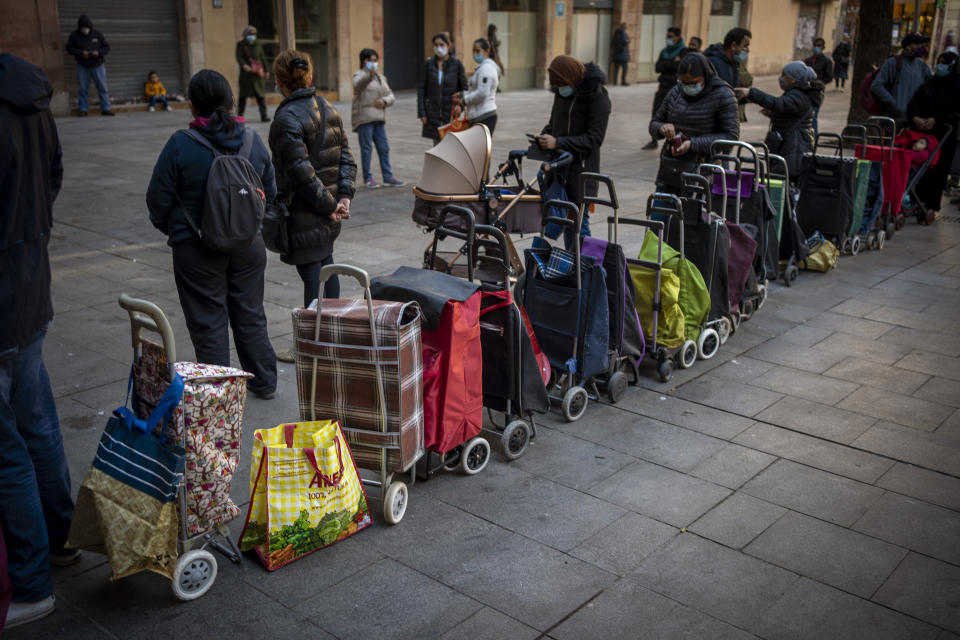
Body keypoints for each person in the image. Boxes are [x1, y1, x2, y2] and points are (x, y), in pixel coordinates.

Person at [0, 53, 75, 630]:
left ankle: (30, 581)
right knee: (40, 427)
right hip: (30, 286)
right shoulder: (30, 97)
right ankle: (62, 539)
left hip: (4, 300)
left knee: (8, 454)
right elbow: (52, 173)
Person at [146, 69, 278, 398]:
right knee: (251, 315)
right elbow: (271, 191)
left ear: (193, 105)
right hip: (248, 246)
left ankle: (221, 395)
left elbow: (157, 200)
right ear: (231, 101)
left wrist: (180, 230)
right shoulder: (251, 140)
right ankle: (264, 382)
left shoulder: (180, 144)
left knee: (208, 323)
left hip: (197, 248)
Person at [269, 49, 357, 363]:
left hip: (308, 214)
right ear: (309, 76)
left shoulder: (286, 119)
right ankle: (329, 336)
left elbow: (300, 174)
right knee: (325, 268)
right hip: (327, 212)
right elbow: (347, 157)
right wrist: (342, 198)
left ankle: (313, 347)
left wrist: (332, 204)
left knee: (314, 276)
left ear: (279, 81)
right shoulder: (328, 107)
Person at [536, 55, 611, 245]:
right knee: (565, 221)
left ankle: (585, 269)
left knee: (578, 226)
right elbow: (554, 124)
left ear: (572, 80)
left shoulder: (598, 97)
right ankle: (573, 268)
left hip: (581, 172)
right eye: (557, 87)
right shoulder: (562, 93)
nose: (560, 90)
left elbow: (594, 139)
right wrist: (545, 136)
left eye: (562, 85)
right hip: (560, 170)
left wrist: (559, 142)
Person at [649, 52, 739, 193]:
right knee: (660, 213)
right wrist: (662, 128)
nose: (687, 86)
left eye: (692, 83)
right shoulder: (675, 92)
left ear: (705, 76)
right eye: (683, 82)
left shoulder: (723, 95)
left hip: (704, 174)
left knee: (692, 214)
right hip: (671, 171)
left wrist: (693, 144)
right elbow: (655, 123)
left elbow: (731, 136)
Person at [735, 61, 823, 178]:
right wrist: (774, 113)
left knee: (787, 181)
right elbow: (788, 113)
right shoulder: (798, 93)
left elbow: (779, 103)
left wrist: (752, 93)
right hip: (791, 145)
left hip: (794, 148)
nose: (781, 78)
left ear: (793, 79)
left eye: (784, 75)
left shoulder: (800, 95)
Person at [906, 51, 960, 216]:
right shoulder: (930, 83)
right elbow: (914, 102)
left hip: (943, 134)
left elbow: (956, 112)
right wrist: (915, 117)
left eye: (944, 63)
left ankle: (929, 204)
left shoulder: (956, 87)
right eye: (939, 62)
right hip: (923, 134)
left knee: (937, 169)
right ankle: (914, 198)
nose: (940, 66)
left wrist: (936, 120)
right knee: (919, 165)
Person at [352, 48, 404, 189]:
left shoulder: (381, 78)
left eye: (375, 60)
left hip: (379, 118)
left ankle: (388, 176)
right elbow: (358, 86)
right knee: (366, 149)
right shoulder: (359, 75)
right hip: (365, 118)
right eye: (369, 60)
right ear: (363, 61)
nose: (373, 63)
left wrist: (385, 101)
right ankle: (368, 178)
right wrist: (369, 75)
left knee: (383, 147)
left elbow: (391, 95)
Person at [418, 32, 468, 145]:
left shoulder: (456, 64)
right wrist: (422, 112)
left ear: (448, 45)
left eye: (441, 44)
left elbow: (464, 89)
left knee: (451, 145)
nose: (438, 48)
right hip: (433, 112)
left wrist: (460, 105)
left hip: (450, 112)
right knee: (437, 146)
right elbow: (421, 88)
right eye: (436, 45)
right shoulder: (429, 65)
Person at [871, 33, 932, 125]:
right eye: (918, 44)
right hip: (895, 118)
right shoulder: (892, 63)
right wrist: (894, 103)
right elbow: (876, 86)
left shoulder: (922, 65)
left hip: (915, 119)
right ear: (908, 46)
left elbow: (931, 85)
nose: (922, 47)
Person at [643, 27, 688, 150]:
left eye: (671, 36)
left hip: (675, 88)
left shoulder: (683, 51)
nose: (668, 39)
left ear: (678, 37)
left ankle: (676, 142)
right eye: (667, 36)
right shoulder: (664, 51)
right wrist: (671, 63)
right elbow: (658, 67)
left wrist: (668, 65)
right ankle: (654, 140)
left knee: (674, 116)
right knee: (656, 113)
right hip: (662, 87)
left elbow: (679, 67)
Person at [65, 14, 113, 116]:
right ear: (79, 27)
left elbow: (107, 47)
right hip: (83, 65)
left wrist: (98, 52)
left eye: (86, 27)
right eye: (83, 27)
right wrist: (81, 53)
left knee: (102, 87)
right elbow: (69, 49)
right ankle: (83, 109)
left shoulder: (97, 34)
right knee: (83, 88)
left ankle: (105, 108)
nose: (85, 29)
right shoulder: (74, 35)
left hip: (98, 65)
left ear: (90, 26)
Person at [458, 38, 499, 134]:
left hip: (484, 115)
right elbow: (474, 89)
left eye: (478, 50)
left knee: (479, 148)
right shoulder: (481, 68)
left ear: (487, 51)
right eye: (473, 51)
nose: (475, 54)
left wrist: (464, 100)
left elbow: (482, 93)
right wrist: (461, 94)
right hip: (477, 115)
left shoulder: (487, 69)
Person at [236, 25, 271, 122]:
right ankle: (239, 115)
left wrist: (267, 70)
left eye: (253, 34)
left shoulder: (257, 44)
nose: (252, 36)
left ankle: (264, 116)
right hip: (246, 75)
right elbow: (239, 57)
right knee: (243, 97)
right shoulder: (241, 45)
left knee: (261, 96)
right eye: (250, 34)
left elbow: (262, 58)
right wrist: (244, 65)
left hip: (257, 75)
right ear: (246, 35)